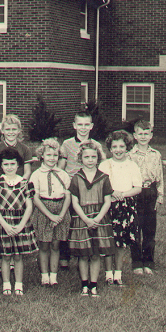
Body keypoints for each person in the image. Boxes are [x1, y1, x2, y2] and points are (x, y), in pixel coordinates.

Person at [57, 111, 104, 271]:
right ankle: (64, 256)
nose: (83, 128)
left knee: (86, 223)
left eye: (86, 125)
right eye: (80, 124)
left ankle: (86, 254)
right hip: (72, 188)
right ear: (74, 125)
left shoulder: (96, 145)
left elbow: (101, 167)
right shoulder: (67, 144)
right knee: (68, 223)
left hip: (90, 190)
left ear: (91, 126)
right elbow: (61, 168)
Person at [68, 140, 114, 298]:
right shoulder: (76, 178)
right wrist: (86, 220)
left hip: (99, 218)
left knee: (95, 254)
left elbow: (108, 201)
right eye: (86, 156)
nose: (90, 159)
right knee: (83, 254)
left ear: (98, 158)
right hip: (82, 219)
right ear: (81, 158)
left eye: (93, 156)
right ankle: (84, 285)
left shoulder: (104, 178)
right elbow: (74, 202)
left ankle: (94, 286)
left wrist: (98, 218)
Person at [0, 148, 37, 296]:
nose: (9, 167)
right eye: (6, 164)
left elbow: (29, 206)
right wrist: (5, 225)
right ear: (1, 166)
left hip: (20, 221)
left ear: (18, 165)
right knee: (5, 255)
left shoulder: (25, 183)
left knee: (18, 256)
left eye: (12, 164)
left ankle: (18, 284)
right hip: (3, 222)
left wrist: (21, 225)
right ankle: (6, 284)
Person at [99, 130, 142, 286]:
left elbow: (138, 187)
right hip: (107, 205)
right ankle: (108, 274)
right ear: (110, 148)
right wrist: (112, 193)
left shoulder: (132, 165)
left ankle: (118, 274)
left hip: (125, 206)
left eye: (121, 146)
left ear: (127, 147)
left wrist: (122, 194)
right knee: (108, 241)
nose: (118, 150)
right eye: (114, 146)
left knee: (120, 243)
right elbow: (100, 187)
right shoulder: (104, 165)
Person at [29, 138, 71, 287]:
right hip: (43, 210)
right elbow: (35, 197)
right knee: (44, 244)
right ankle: (44, 275)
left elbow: (68, 196)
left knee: (55, 244)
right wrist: (50, 215)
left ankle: (54, 276)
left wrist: (60, 215)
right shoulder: (36, 174)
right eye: (48, 155)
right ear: (42, 156)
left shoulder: (63, 174)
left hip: (60, 209)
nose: (52, 158)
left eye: (55, 155)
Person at [128, 120, 164, 275]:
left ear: (151, 135)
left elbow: (160, 177)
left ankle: (148, 261)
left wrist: (160, 195)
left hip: (151, 192)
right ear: (135, 136)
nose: (143, 137)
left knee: (149, 229)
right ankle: (136, 262)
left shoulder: (156, 155)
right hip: (135, 192)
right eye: (140, 134)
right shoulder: (130, 155)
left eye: (146, 134)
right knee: (135, 227)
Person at [0, 115, 32, 181]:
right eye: (7, 129)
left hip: (20, 185)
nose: (11, 132)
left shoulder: (25, 149)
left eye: (14, 129)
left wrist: (20, 184)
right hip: (2, 185)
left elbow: (27, 172)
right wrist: (3, 184)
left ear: (19, 130)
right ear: (2, 130)